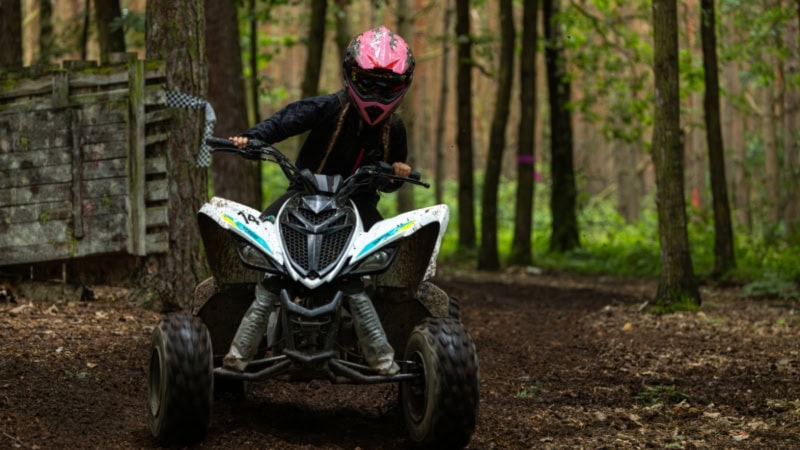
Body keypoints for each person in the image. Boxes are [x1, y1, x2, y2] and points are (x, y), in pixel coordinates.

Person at [222, 26, 416, 376]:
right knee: (258, 247)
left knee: (387, 266)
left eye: (386, 85)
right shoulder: (328, 107)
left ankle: (380, 339)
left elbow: (389, 184)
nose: (376, 92)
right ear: (350, 75)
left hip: (358, 207)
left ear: (401, 86)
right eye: (368, 81)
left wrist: (396, 173)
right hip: (302, 197)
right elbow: (285, 121)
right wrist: (252, 139)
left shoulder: (395, 130)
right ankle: (243, 337)